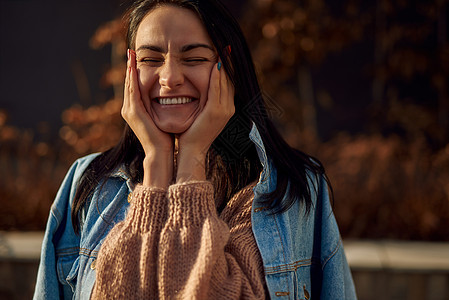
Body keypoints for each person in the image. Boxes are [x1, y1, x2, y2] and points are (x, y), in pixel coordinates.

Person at [33, 0, 357, 299]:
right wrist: (157, 163)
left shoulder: (296, 188)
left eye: (194, 58)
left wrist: (191, 161)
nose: (170, 77)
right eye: (150, 59)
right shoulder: (89, 183)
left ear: (228, 69)